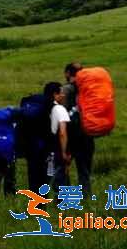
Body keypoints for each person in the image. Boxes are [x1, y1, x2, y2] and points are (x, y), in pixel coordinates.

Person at [63, 62, 95, 194]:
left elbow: (61, 114)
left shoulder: (65, 90)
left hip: (70, 135)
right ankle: (86, 198)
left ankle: (66, 198)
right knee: (84, 171)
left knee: (64, 168)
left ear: (67, 73)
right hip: (87, 134)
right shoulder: (90, 89)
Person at [44, 82, 71, 190]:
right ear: (55, 94)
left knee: (47, 178)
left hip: (44, 148)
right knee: (61, 179)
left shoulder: (43, 107)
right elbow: (62, 132)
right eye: (61, 93)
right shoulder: (59, 109)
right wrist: (64, 152)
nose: (63, 95)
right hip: (57, 148)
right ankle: (61, 204)